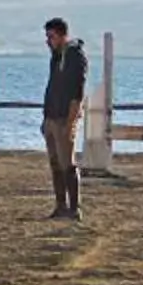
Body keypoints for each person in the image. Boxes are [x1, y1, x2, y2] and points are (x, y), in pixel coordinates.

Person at [42, 17, 89, 220]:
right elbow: (52, 87)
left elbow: (77, 92)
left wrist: (70, 123)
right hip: (52, 116)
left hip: (64, 117)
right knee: (55, 163)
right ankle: (60, 205)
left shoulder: (75, 57)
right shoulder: (56, 57)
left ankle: (74, 207)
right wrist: (46, 118)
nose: (48, 41)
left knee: (67, 163)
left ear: (62, 36)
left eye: (51, 37)